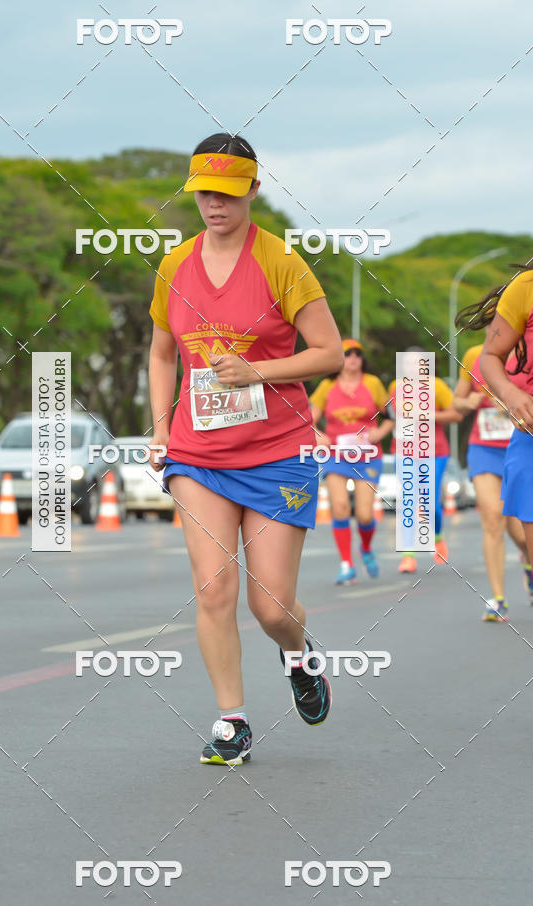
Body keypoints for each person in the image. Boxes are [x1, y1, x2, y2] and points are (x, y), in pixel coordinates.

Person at [148, 133, 343, 766]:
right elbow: (160, 352)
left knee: (272, 605)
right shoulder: (175, 265)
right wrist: (157, 428)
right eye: (205, 193)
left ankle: (298, 651)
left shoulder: (282, 262)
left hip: (276, 451)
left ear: (254, 190)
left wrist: (257, 373)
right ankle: (232, 720)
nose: (216, 206)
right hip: (197, 453)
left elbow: (329, 353)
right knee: (213, 589)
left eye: (229, 194)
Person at [456, 268, 533, 622]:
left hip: (510, 443)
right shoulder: (478, 356)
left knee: (518, 531)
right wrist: (506, 396)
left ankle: (526, 562)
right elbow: (459, 401)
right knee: (491, 515)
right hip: (494, 444)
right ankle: (499, 597)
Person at [309, 339, 393, 584]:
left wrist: (380, 432)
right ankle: (346, 563)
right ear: (338, 357)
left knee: (365, 515)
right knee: (340, 507)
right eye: (347, 353)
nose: (353, 357)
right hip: (336, 455)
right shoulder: (327, 386)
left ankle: (366, 548)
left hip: (367, 455)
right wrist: (319, 435)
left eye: (357, 353)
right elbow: (308, 419)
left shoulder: (373, 383)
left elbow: (389, 417)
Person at [389, 361, 462, 573]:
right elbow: (393, 415)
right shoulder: (396, 386)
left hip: (434, 453)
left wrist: (427, 416)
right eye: (408, 362)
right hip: (405, 452)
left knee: (430, 505)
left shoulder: (436, 385)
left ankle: (437, 536)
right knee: (408, 501)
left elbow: (455, 415)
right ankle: (408, 556)